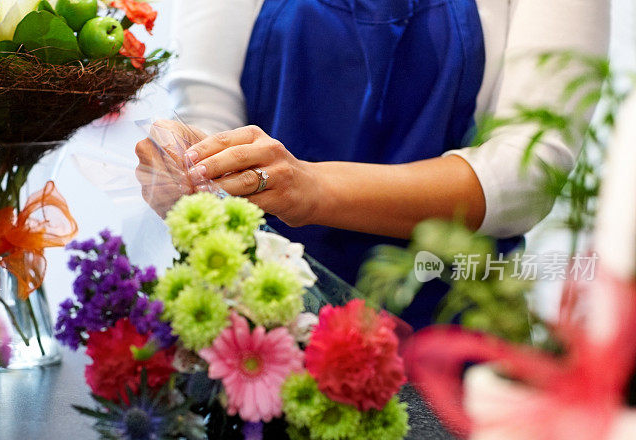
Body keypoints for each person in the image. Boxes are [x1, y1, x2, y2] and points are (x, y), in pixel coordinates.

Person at [136, 0, 609, 328]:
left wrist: (314, 189)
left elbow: (527, 174)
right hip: (262, 328)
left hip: (454, 326)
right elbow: (207, 119)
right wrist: (186, 163)